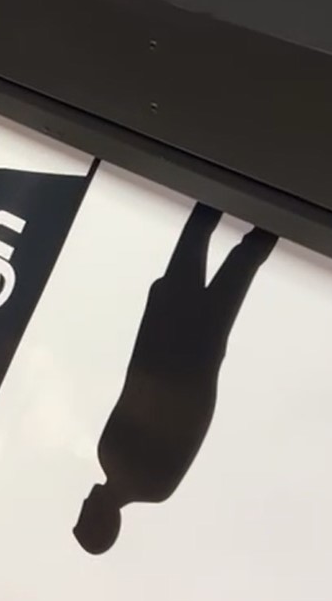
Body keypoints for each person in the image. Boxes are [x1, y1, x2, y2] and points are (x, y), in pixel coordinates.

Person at [74, 204, 276, 555]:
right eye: (86, 511)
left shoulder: (156, 487)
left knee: (243, 254)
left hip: (198, 348)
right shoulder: (114, 457)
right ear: (100, 517)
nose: (84, 501)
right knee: (211, 234)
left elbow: (190, 412)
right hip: (176, 335)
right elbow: (142, 380)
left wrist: (205, 364)